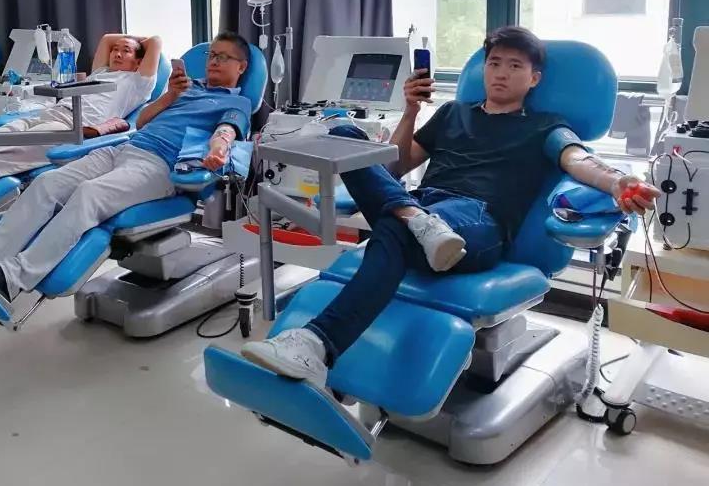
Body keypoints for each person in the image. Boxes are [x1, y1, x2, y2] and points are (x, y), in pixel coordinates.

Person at [242, 26, 662, 389]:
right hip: (424, 208)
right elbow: (395, 166)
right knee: (348, 137)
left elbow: (579, 160)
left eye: (515, 65)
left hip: (476, 222)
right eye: (494, 63)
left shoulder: (545, 126)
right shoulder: (452, 113)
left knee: (392, 229)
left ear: (534, 78)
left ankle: (316, 343)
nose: (501, 72)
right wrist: (410, 111)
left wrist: (618, 182)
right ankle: (413, 220)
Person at [0, 31, 254, 308]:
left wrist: (218, 149)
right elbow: (142, 122)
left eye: (223, 57)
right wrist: (169, 96)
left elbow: (227, 131)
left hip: (159, 165)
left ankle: (11, 278)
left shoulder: (237, 102)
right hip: (124, 148)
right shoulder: (186, 87)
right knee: (46, 184)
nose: (214, 61)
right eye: (212, 55)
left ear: (241, 67)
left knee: (88, 195)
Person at [0, 34, 163, 215]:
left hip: (75, 127)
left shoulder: (138, 83)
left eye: (126, 50)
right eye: (116, 50)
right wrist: (124, 43)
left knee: (3, 153)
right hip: (51, 112)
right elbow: (106, 38)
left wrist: (136, 41)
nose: (117, 52)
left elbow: (156, 41)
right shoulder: (101, 72)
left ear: (139, 61)